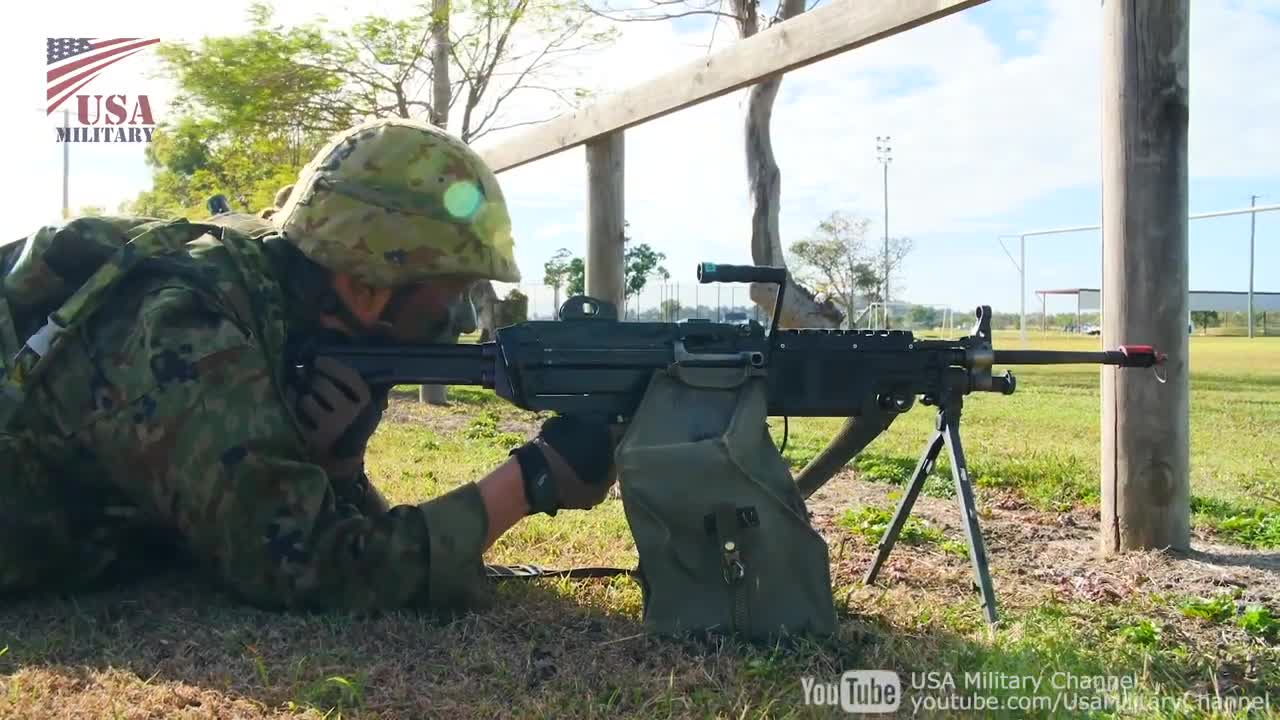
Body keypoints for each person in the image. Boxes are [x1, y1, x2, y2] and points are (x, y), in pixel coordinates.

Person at [0, 117, 618, 610]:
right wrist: (530, 481)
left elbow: (267, 509)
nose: (458, 318)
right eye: (449, 291)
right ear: (369, 285)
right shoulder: (189, 335)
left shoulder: (272, 290)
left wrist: (337, 467)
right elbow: (313, 568)